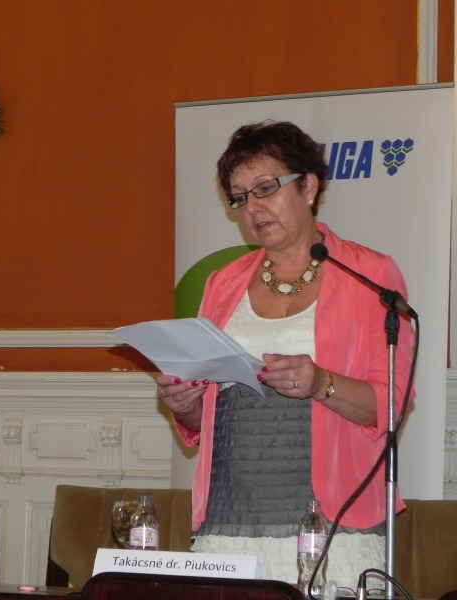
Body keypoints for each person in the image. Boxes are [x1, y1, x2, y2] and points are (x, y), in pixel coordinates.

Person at [157, 121, 415, 589]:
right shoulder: (222, 284)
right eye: (239, 198)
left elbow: (391, 405)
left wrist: (321, 383)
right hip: (230, 519)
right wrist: (186, 404)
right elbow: (207, 418)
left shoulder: (370, 275)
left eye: (265, 189)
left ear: (308, 186)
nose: (252, 208)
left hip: (333, 526)